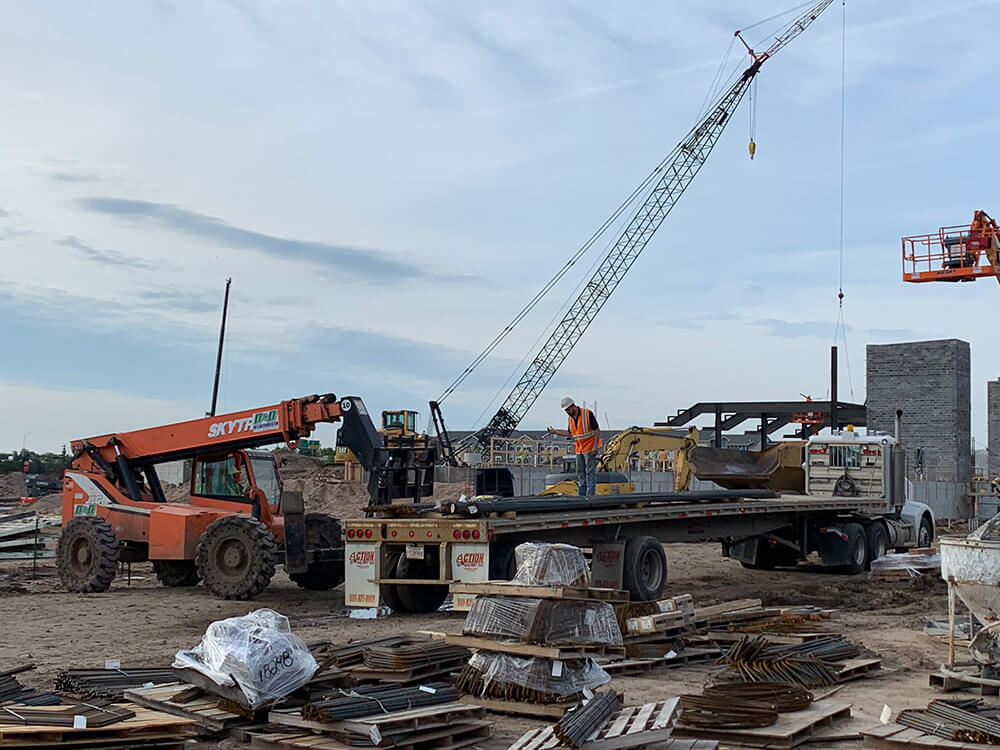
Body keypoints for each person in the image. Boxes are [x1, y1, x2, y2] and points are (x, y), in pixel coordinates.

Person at [547, 397, 602, 497]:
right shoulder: (570, 419)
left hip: (589, 448)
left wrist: (595, 447)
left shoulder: (587, 414)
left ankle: (590, 496)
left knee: (590, 472)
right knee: (580, 472)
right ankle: (582, 496)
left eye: (568, 409)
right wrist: (556, 432)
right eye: (566, 410)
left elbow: (597, 430)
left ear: (573, 406)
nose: (567, 412)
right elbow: (570, 433)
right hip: (579, 449)